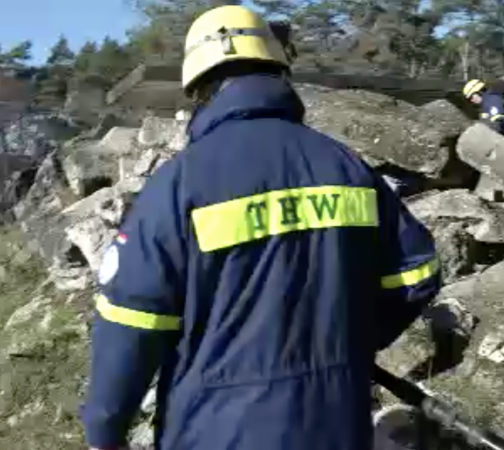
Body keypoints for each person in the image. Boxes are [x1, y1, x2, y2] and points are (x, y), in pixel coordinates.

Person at [80, 5, 442, 450]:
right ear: (279, 71)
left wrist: (105, 432)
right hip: (336, 422)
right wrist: (347, 343)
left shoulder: (177, 185)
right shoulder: (344, 164)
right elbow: (416, 274)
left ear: (198, 89)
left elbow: (130, 322)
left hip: (216, 431)